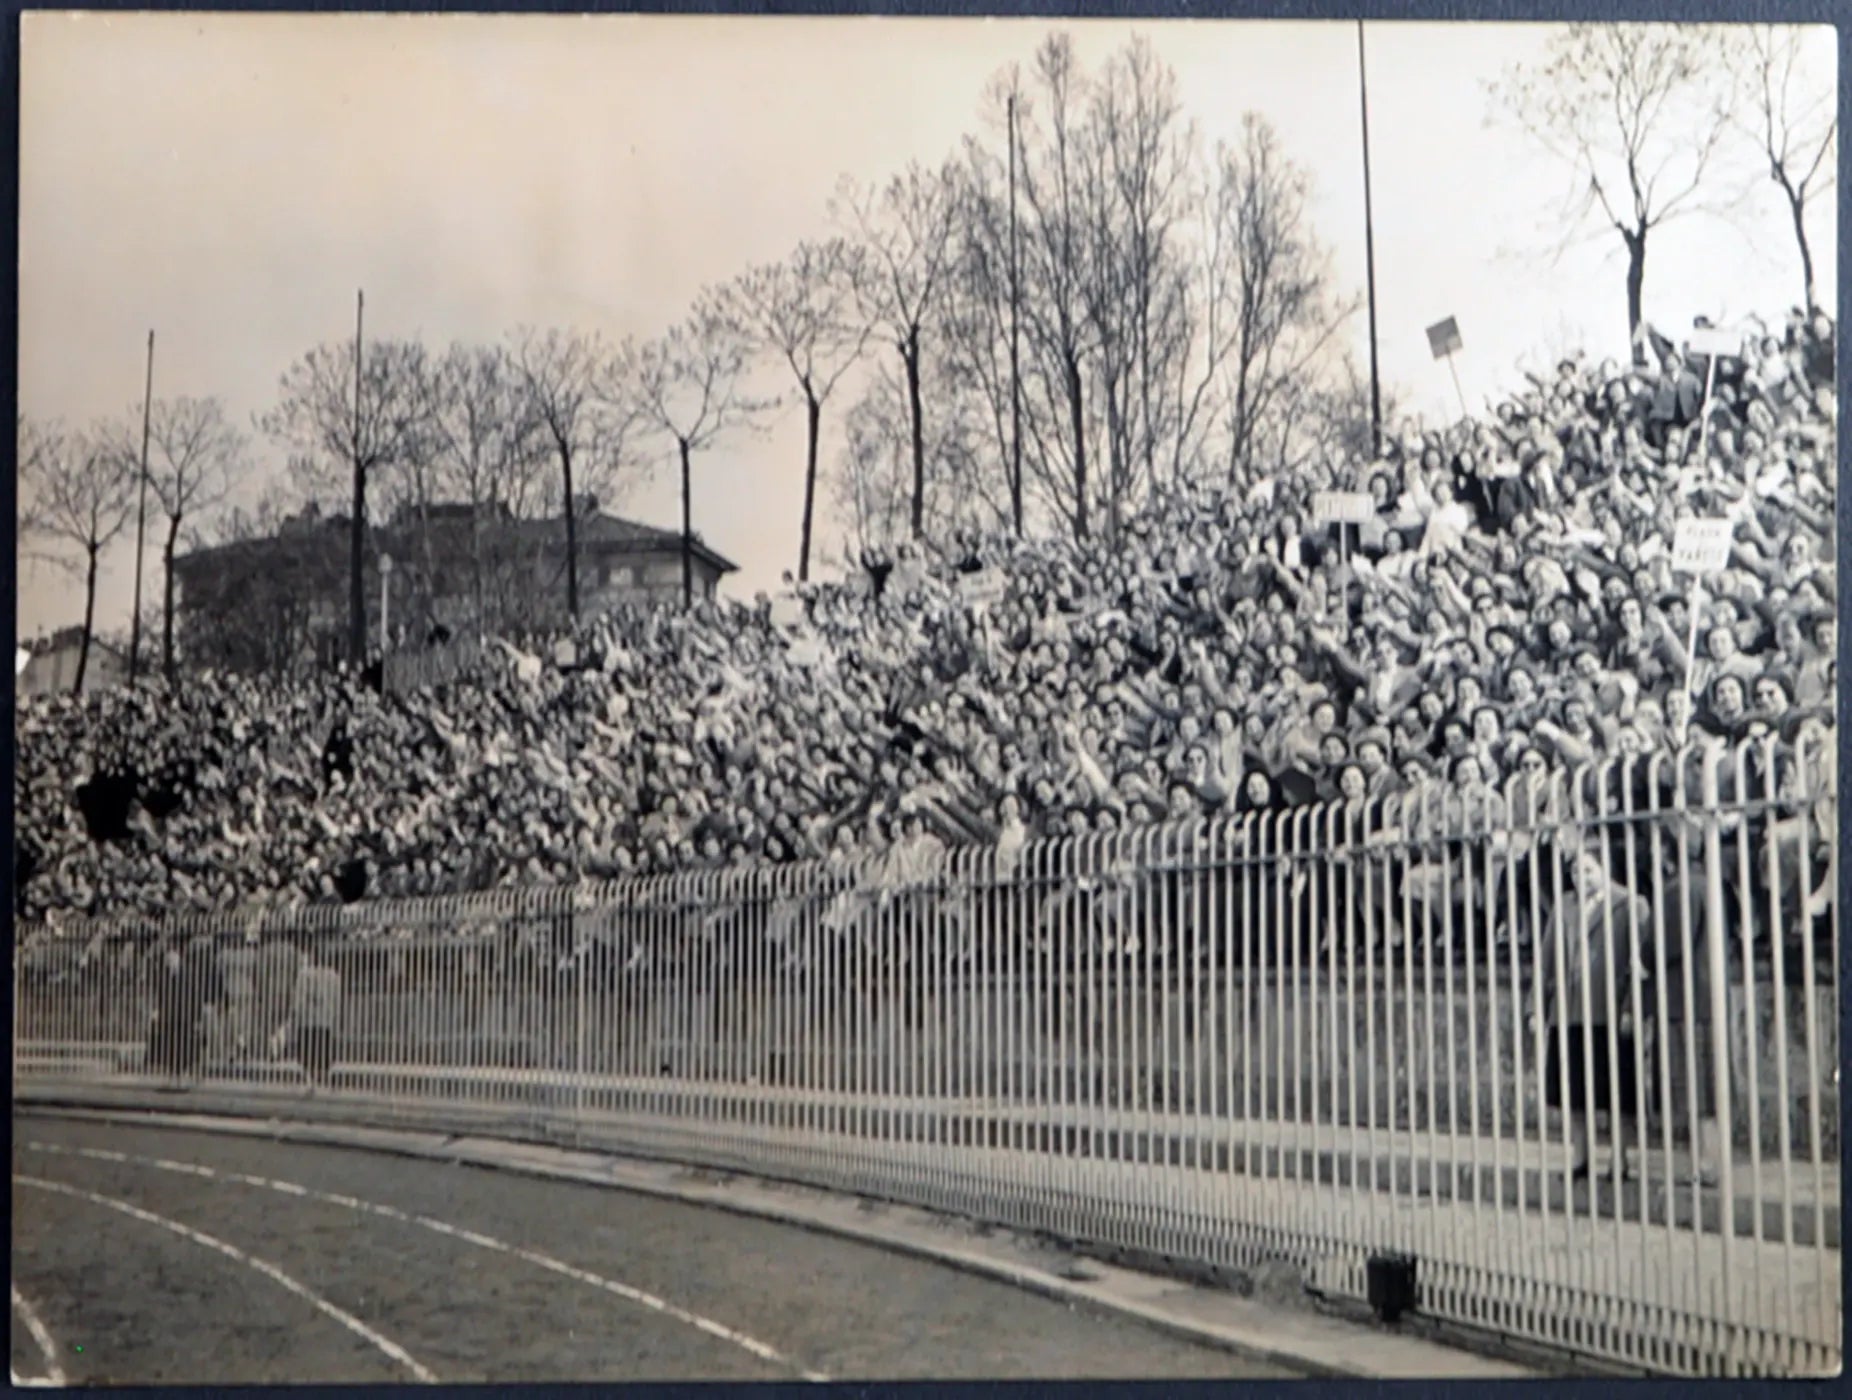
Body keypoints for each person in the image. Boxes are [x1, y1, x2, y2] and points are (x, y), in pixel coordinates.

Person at [288, 945, 344, 1094]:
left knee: (308, 1052)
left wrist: (296, 1014)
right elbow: (337, 999)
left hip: (308, 1020)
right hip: (325, 1020)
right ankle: (323, 1080)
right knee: (323, 1052)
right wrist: (335, 1016)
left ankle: (310, 1081)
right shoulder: (333, 975)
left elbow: (298, 999)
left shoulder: (303, 975)